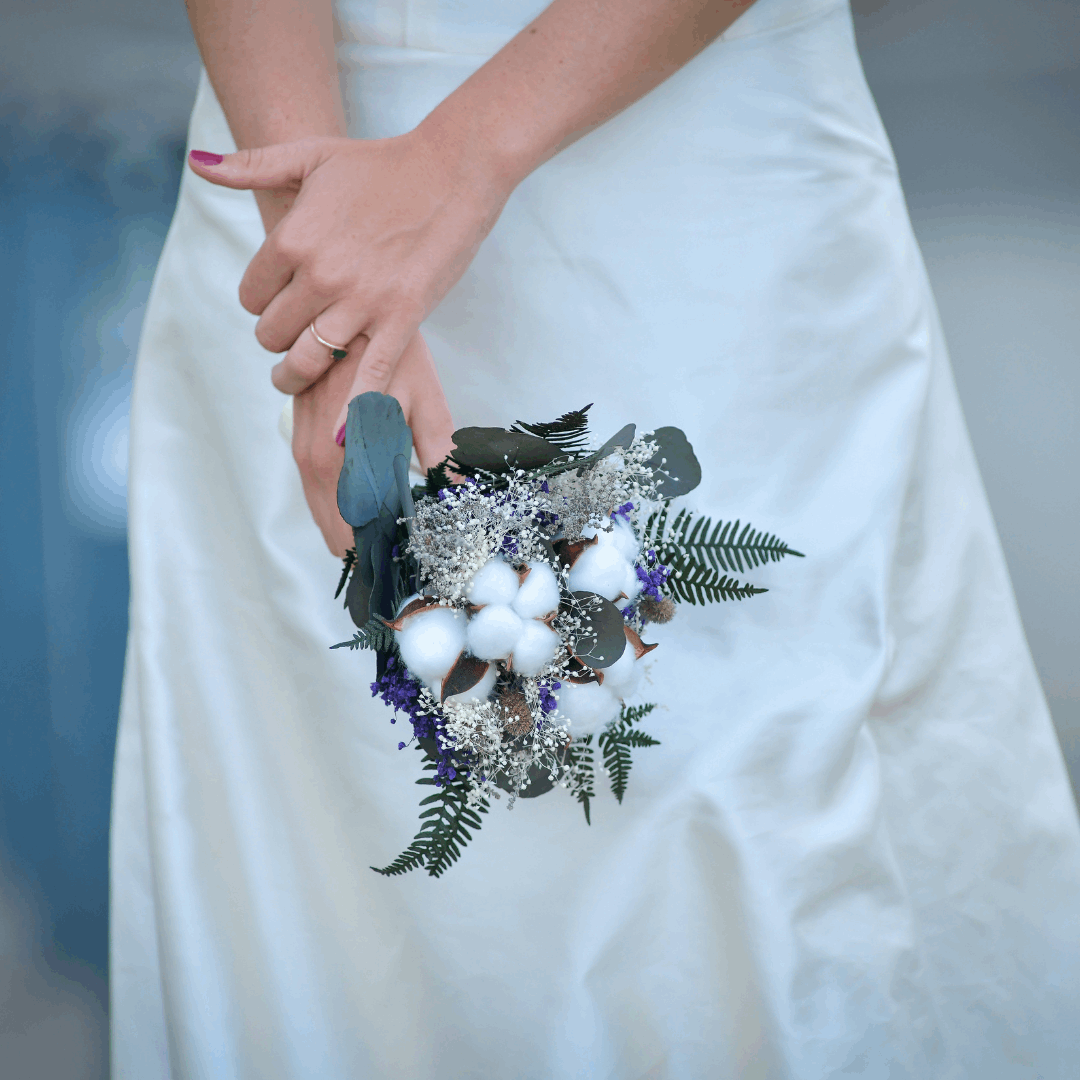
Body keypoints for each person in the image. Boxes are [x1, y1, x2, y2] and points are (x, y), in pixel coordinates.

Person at [112, 0, 1080, 1075]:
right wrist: (324, 287)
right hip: (289, 168)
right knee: (321, 891)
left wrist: (453, 165)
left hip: (698, 201)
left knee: (748, 877)